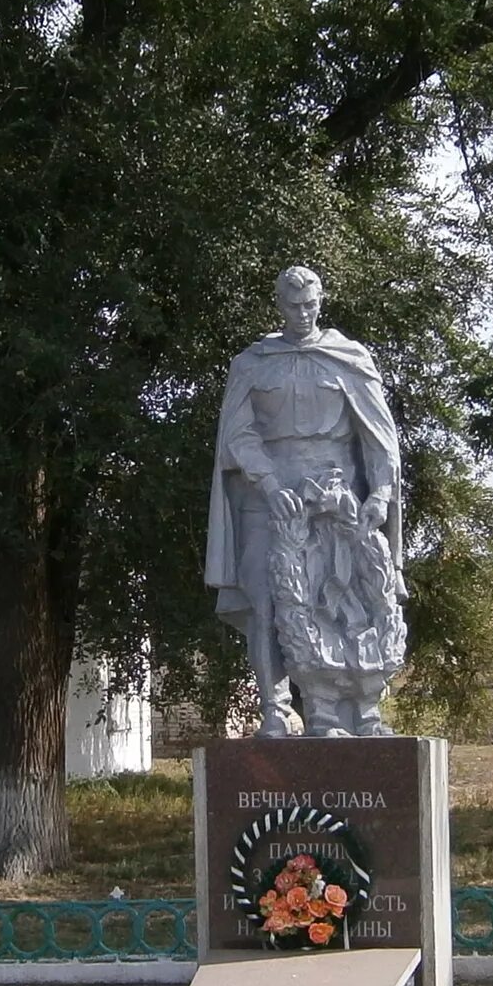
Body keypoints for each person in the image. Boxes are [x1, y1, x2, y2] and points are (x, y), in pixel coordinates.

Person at [203, 266, 409, 735]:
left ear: (321, 302)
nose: (302, 313)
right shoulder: (253, 363)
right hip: (269, 496)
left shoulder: (349, 358)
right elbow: (237, 436)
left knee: (346, 598)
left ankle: (346, 712)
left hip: (338, 500)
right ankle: (274, 709)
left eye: (310, 305)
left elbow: (378, 440)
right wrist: (271, 485)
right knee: (266, 602)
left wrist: (379, 493)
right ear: (278, 305)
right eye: (293, 305)